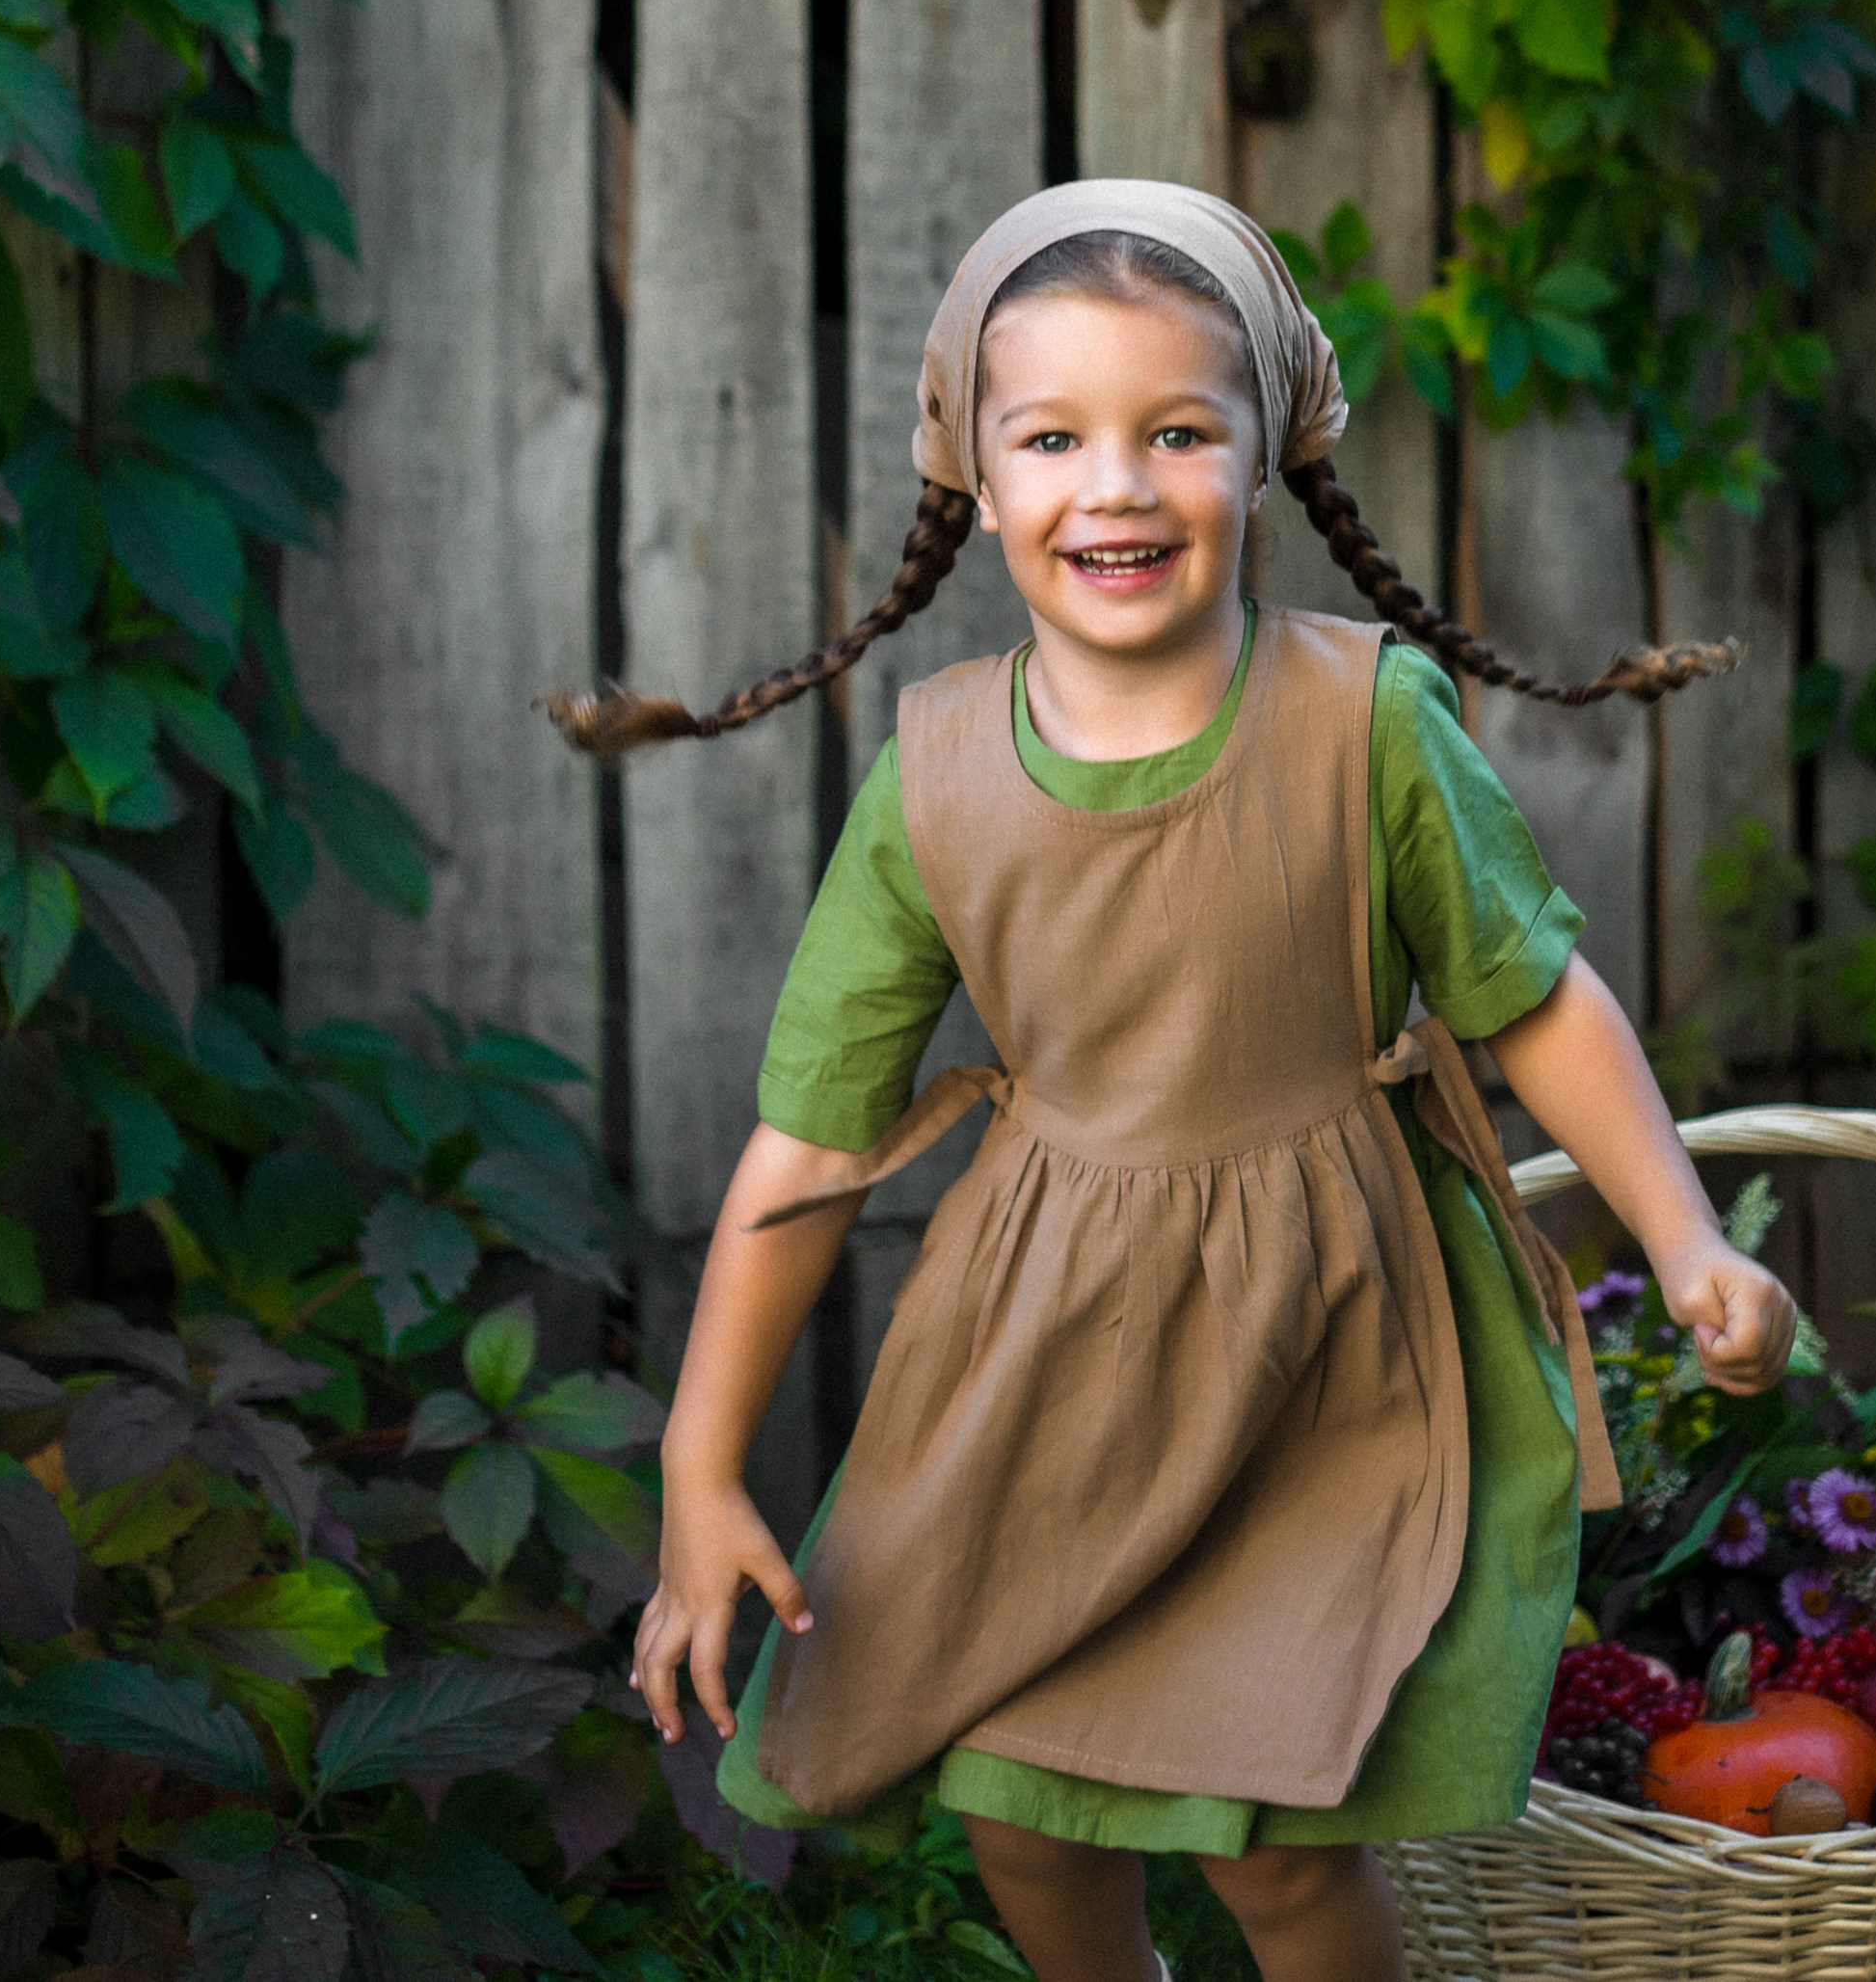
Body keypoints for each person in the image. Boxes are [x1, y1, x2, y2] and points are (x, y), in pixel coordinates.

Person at [545, 182, 1795, 1982]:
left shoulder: (1360, 723)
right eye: (1052, 435)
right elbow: (812, 1137)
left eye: (1176, 432)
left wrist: (1683, 1241)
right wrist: (698, 1458)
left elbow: (1531, 1002)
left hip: (1325, 1342)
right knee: (1016, 1815)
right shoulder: (937, 778)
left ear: (1266, 454)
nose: (1113, 485)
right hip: (1041, 1355)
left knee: (1278, 1852)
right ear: (975, 473)